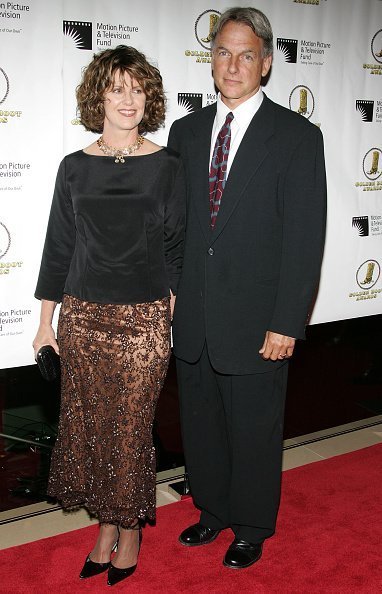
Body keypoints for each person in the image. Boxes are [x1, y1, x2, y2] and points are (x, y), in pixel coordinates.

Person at [168, 7, 326, 569]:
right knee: (202, 423)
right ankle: (212, 510)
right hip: (194, 317)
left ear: (265, 64)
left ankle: (253, 525)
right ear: (210, 59)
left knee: (255, 429)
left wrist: (288, 321)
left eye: (245, 55)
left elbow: (306, 238)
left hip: (260, 319)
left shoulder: (297, 136)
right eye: (222, 53)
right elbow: (179, 228)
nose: (232, 65)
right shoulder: (184, 133)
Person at [33, 45, 185, 586]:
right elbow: (59, 245)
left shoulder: (167, 165)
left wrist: (166, 311)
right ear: (98, 94)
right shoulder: (73, 168)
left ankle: (132, 529)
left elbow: (176, 247)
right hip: (83, 318)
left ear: (151, 98)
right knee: (91, 430)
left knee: (130, 430)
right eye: (117, 87)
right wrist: (47, 321)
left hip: (143, 323)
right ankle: (104, 528)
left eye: (138, 88)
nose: (128, 98)